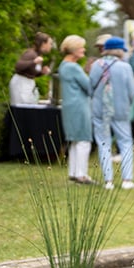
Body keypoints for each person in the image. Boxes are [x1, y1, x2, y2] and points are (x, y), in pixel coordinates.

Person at [89, 37, 134, 190]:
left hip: (100, 109)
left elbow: (90, 88)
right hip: (121, 109)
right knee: (125, 142)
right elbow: (132, 91)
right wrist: (127, 104)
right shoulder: (125, 67)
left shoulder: (96, 65)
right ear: (120, 50)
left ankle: (108, 181)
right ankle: (127, 179)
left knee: (103, 143)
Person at [57, 35, 93, 184]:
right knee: (84, 139)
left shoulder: (63, 66)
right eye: (81, 47)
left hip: (69, 105)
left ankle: (73, 172)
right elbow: (89, 87)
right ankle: (81, 174)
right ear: (73, 50)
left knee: (74, 140)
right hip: (79, 105)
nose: (83, 50)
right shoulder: (74, 67)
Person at [9, 31, 54, 105]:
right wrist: (33, 62)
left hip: (28, 85)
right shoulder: (31, 53)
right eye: (50, 44)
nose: (51, 46)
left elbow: (32, 73)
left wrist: (42, 72)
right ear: (43, 44)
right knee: (21, 110)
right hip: (20, 84)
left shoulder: (38, 55)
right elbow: (18, 66)